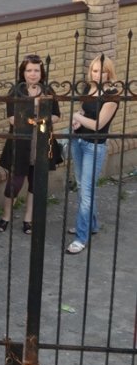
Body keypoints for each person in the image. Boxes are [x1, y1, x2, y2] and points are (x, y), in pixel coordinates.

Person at [0, 55, 62, 234]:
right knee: (14, 184)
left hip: (42, 142)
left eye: (36, 70)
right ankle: (6, 217)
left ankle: (28, 219)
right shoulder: (16, 91)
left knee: (35, 184)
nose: (33, 74)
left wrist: (44, 119)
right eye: (29, 70)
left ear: (42, 72)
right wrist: (35, 117)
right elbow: (12, 119)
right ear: (23, 72)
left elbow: (56, 115)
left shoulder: (47, 90)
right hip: (21, 144)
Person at [67, 56, 119, 254]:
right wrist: (78, 120)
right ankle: (92, 224)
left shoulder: (112, 96)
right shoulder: (88, 88)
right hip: (78, 141)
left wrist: (76, 116)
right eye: (95, 71)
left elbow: (98, 125)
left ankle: (81, 237)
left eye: (102, 71)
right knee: (82, 186)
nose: (97, 75)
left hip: (94, 147)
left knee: (87, 192)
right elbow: (84, 111)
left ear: (109, 73)